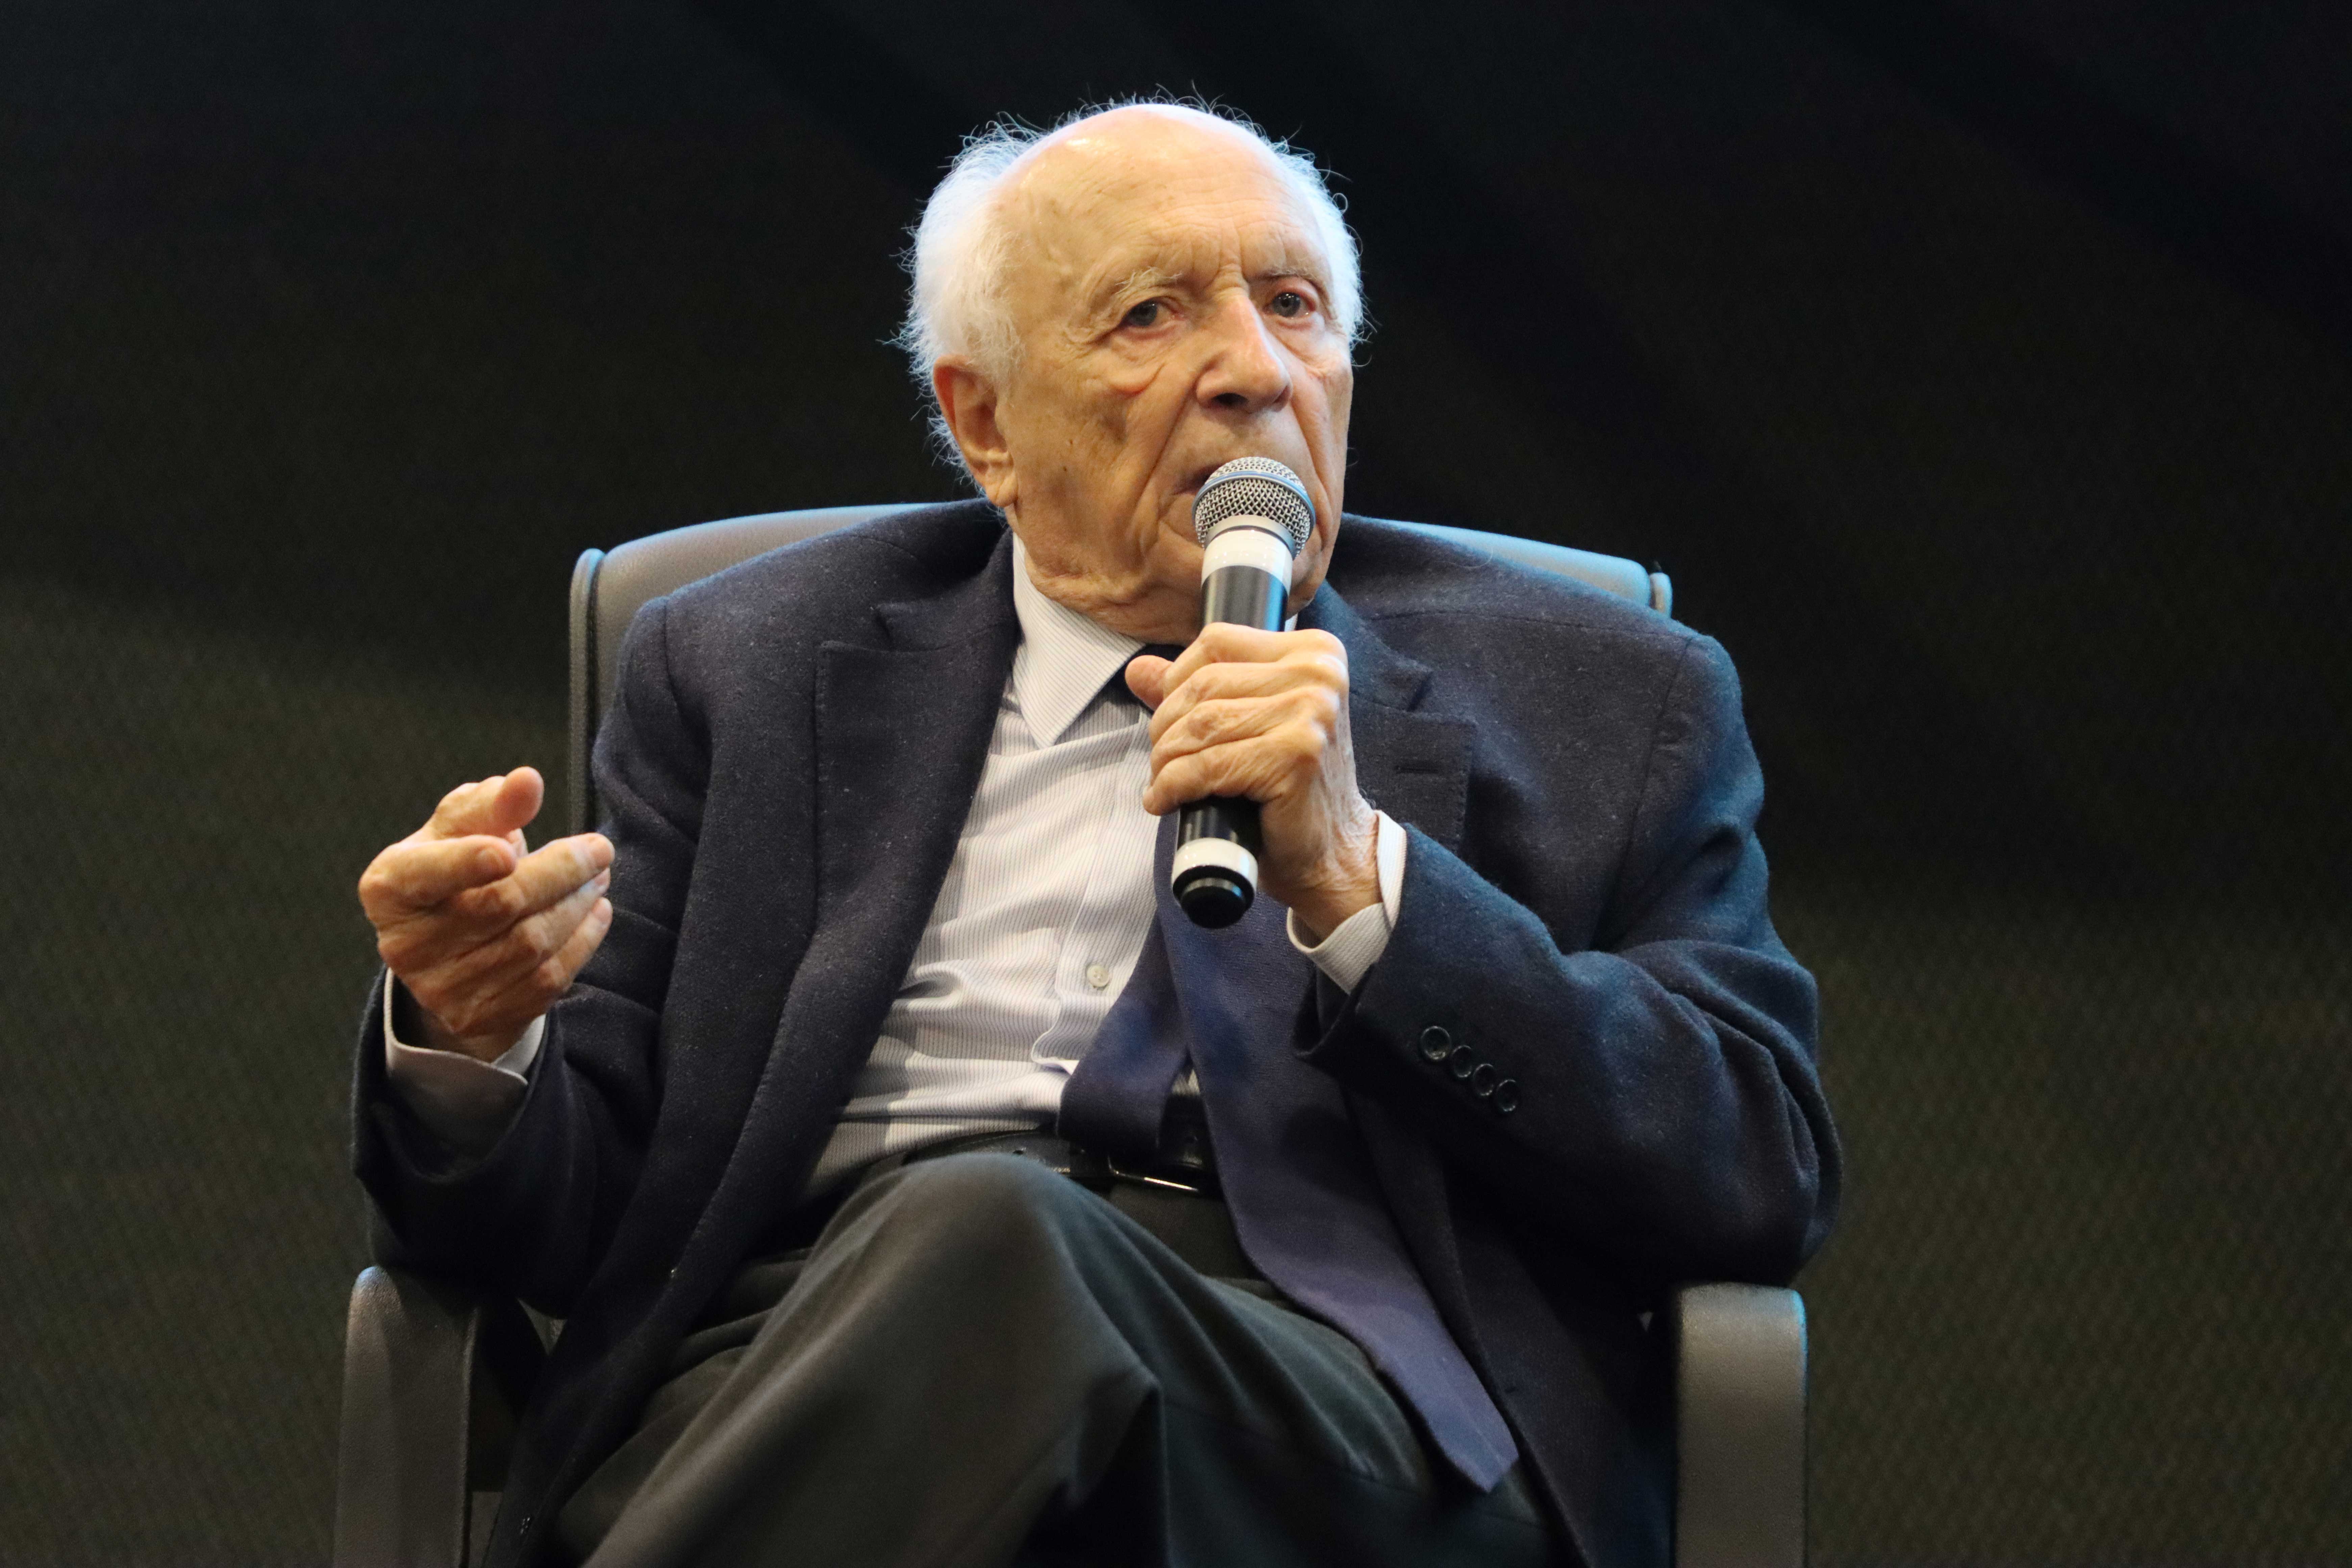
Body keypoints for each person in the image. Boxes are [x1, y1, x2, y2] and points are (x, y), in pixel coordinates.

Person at [353, 101, 1839, 1568]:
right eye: (1150, 315)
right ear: (985, 422)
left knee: (1000, 1239)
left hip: (1339, 1408)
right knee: (981, 1244)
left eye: (1294, 307)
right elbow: (575, 1220)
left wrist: (1368, 887)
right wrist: (473, 1045)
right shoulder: (742, 667)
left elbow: (1755, 1159)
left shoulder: (1609, 695)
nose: (1255, 371)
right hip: (800, 1370)